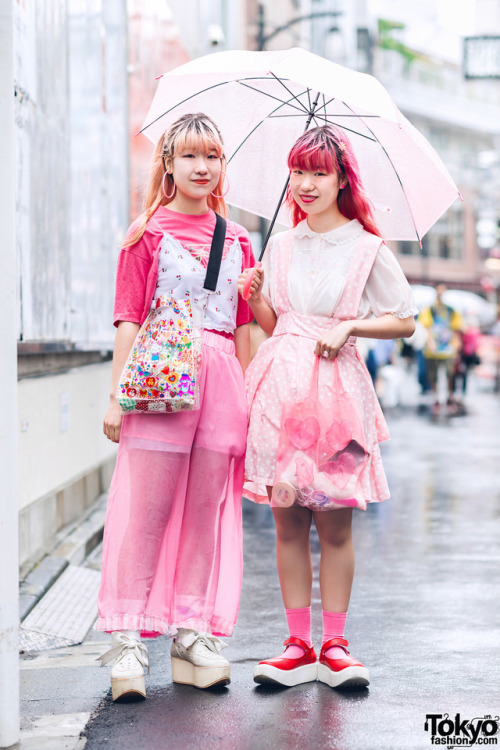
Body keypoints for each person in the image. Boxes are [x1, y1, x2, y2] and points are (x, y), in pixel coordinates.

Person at [238, 125, 417, 690]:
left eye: (319, 172)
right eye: (298, 171)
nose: (306, 183)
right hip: (281, 399)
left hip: (338, 401)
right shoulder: (282, 243)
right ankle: (297, 645)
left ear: (342, 178)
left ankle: (335, 645)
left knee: (334, 525)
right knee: (288, 522)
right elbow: (277, 326)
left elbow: (405, 319)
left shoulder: (367, 246)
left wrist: (352, 326)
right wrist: (257, 298)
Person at [96, 113, 255, 700]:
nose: (200, 166)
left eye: (211, 156)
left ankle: (192, 632)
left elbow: (242, 330)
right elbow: (129, 319)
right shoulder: (146, 235)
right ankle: (127, 635)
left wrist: (248, 397)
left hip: (221, 383)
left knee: (206, 512)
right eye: (188, 156)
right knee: (149, 510)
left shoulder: (238, 240)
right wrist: (116, 396)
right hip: (162, 377)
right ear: (167, 163)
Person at [418, 284, 463, 415]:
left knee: (450, 373)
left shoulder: (452, 310)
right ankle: (436, 399)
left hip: (448, 347)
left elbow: (456, 327)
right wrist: (430, 341)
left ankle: (450, 397)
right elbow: (425, 327)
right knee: (433, 375)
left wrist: (457, 342)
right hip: (433, 349)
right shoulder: (429, 309)